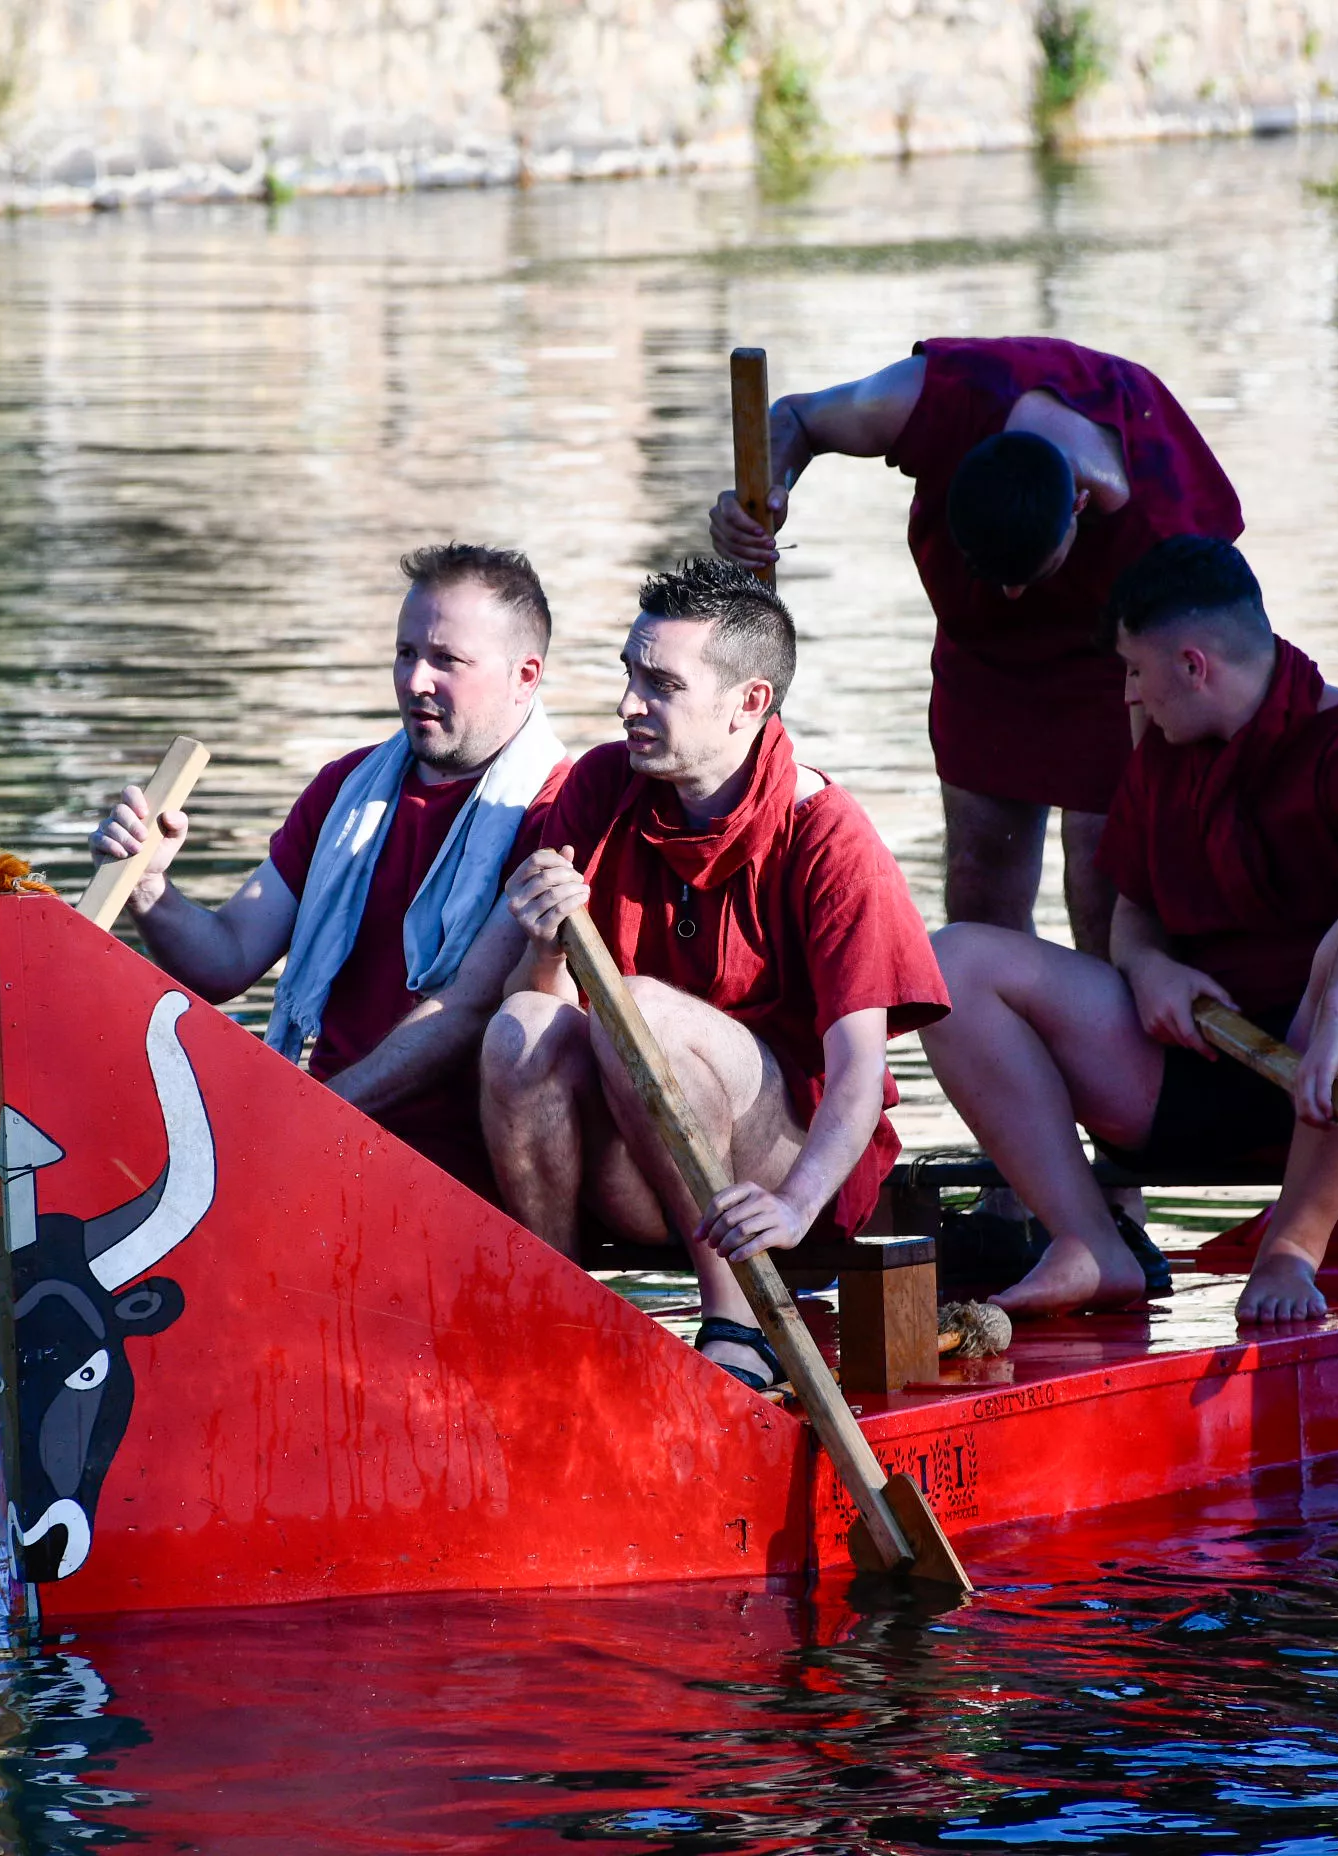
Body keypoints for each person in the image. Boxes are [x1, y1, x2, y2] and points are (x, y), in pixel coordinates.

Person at [921, 537, 1338, 1325]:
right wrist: (1149, 969)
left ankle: (1294, 1243)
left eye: (1134, 671)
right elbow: (1135, 907)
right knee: (952, 964)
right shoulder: (1165, 747)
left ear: (1193, 666)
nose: (1126, 696)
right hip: (1202, 1064)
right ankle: (1089, 1241)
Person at [475, 560, 949, 1390]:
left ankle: (737, 1320)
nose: (628, 704)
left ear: (749, 703)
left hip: (781, 1181)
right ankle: (558, 1305)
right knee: (518, 1027)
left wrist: (797, 1205)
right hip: (641, 1153)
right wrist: (546, 941)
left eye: (661, 685)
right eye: (630, 674)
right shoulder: (598, 786)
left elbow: (861, 1077)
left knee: (645, 1011)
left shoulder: (831, 835)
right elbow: (541, 1021)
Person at [707, 336, 1242, 956]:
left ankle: (1107, 1044)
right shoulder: (928, 399)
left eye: (1030, 575)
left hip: (1117, 661)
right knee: (978, 881)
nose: (1014, 593)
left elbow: (1217, 670)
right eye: (995, 573)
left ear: (1080, 503)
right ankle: (1006, 1042)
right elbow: (797, 418)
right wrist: (763, 497)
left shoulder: (1162, 523)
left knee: (1108, 888)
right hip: (981, 648)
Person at [90, 543, 569, 1198]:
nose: (415, 681)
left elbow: (467, 1010)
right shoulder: (346, 789)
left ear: (525, 676)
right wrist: (148, 888)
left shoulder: (560, 808)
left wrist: (300, 1120)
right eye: (406, 654)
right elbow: (226, 960)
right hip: (326, 1146)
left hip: (469, 1180)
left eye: (446, 661)